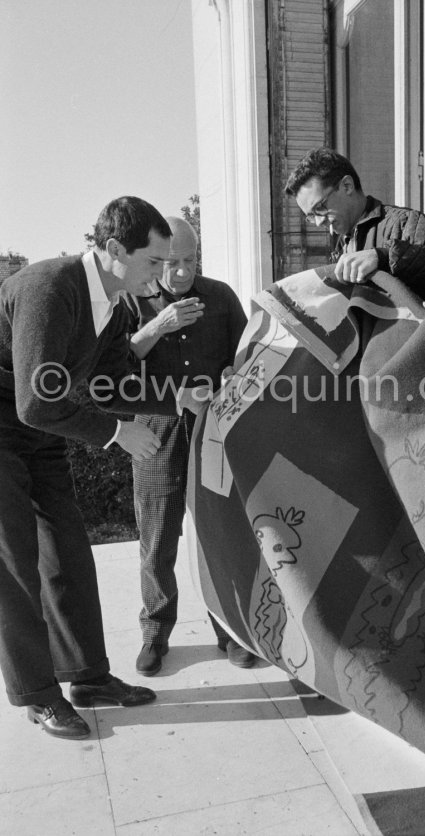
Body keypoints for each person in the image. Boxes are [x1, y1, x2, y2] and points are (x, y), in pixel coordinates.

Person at [0, 196, 201, 740]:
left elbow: (112, 383)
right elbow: (34, 400)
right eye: (153, 263)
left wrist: (176, 397)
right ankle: (37, 696)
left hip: (37, 430)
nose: (162, 276)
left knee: (67, 550)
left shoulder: (115, 304)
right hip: (9, 424)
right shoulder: (50, 287)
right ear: (114, 250)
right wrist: (116, 433)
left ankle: (87, 678)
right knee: (16, 563)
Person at [122, 216, 255, 675]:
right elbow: (120, 363)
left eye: (189, 260)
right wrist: (158, 325)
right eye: (171, 262)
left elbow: (246, 359)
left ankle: (230, 632)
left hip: (213, 431)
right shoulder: (134, 298)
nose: (181, 272)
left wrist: (222, 388)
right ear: (156, 258)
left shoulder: (219, 297)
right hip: (155, 435)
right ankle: (155, 633)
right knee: (157, 539)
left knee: (218, 533)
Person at [285, 147, 425, 301]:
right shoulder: (343, 244)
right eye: (310, 216)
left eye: (320, 207)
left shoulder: (403, 222)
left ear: (347, 186)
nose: (318, 222)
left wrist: (384, 256)